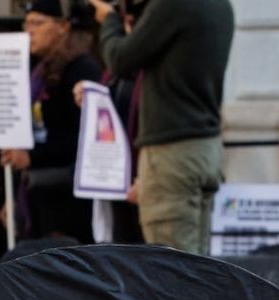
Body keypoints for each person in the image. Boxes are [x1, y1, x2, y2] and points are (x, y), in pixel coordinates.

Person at [88, 0, 233, 254]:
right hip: (204, 147)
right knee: (198, 264)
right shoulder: (220, 6)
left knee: (171, 266)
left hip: (172, 153)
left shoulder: (171, 5)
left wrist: (109, 21)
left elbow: (120, 59)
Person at [1, 0, 102, 240]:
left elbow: (84, 137)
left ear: (62, 27)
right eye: (26, 23)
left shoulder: (81, 69)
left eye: (38, 23)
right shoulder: (38, 70)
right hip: (38, 188)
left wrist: (33, 156)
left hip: (69, 194)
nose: (29, 30)